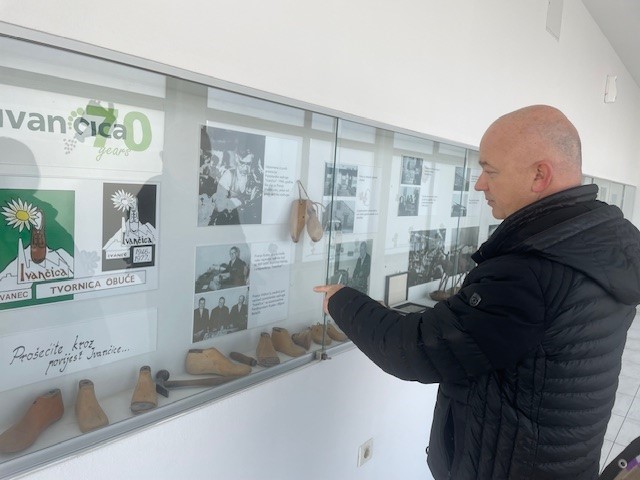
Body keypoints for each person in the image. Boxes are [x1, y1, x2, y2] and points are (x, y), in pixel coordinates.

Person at [314, 105, 640, 479]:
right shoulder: (598, 242)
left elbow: (414, 349)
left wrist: (342, 300)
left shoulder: (532, 272)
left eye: (490, 170)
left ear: (539, 175)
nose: (479, 184)